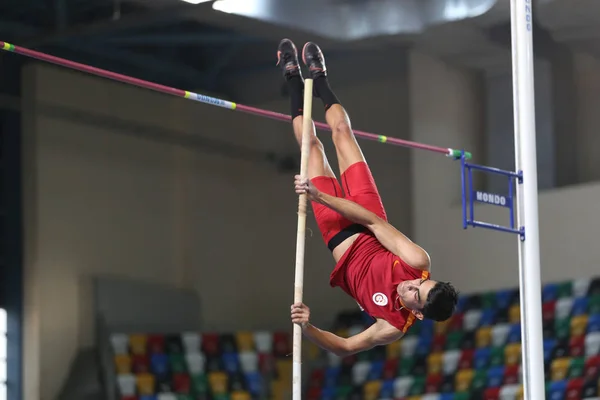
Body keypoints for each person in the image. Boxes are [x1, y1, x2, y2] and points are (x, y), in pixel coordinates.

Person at [276, 39, 458, 357]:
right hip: (367, 215)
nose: (411, 284)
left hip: (341, 237)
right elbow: (372, 221)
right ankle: (319, 77)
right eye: (420, 283)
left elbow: (346, 347)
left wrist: (308, 327)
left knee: (312, 147)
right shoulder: (418, 262)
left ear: (416, 314)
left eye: (414, 293)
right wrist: (319, 195)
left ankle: (291, 76)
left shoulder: (391, 326)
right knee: (342, 132)